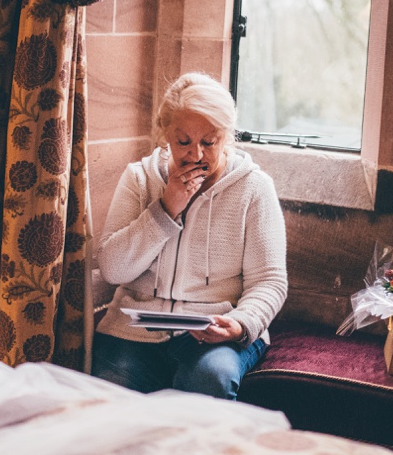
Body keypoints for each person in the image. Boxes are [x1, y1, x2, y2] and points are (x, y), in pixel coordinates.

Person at [92, 72, 287, 399]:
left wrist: (240, 324)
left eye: (208, 143)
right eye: (183, 142)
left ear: (226, 137)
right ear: (165, 134)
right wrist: (166, 209)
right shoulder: (139, 179)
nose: (196, 155)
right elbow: (112, 270)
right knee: (113, 391)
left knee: (212, 379)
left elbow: (270, 280)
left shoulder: (254, 188)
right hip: (136, 330)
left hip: (215, 333)